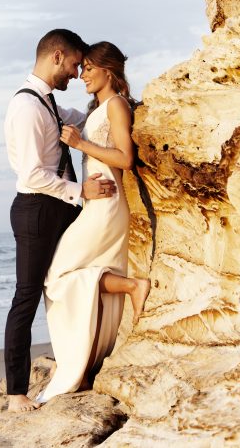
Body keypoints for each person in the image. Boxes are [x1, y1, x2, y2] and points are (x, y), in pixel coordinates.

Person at [3, 29, 118, 413]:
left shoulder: (48, 102)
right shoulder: (27, 107)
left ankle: (77, 365)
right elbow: (33, 174)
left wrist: (119, 102)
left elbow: (87, 121)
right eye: (73, 64)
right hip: (37, 209)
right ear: (56, 55)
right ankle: (16, 393)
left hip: (59, 207)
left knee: (67, 282)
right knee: (27, 296)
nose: (76, 73)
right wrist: (82, 190)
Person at [36, 41, 151, 403]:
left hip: (107, 204)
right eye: (81, 68)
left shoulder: (116, 105)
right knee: (66, 278)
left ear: (108, 71)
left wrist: (80, 145)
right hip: (94, 204)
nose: (82, 75)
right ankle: (83, 367)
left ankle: (133, 286)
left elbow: (125, 158)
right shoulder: (96, 110)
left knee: (56, 276)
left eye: (88, 68)